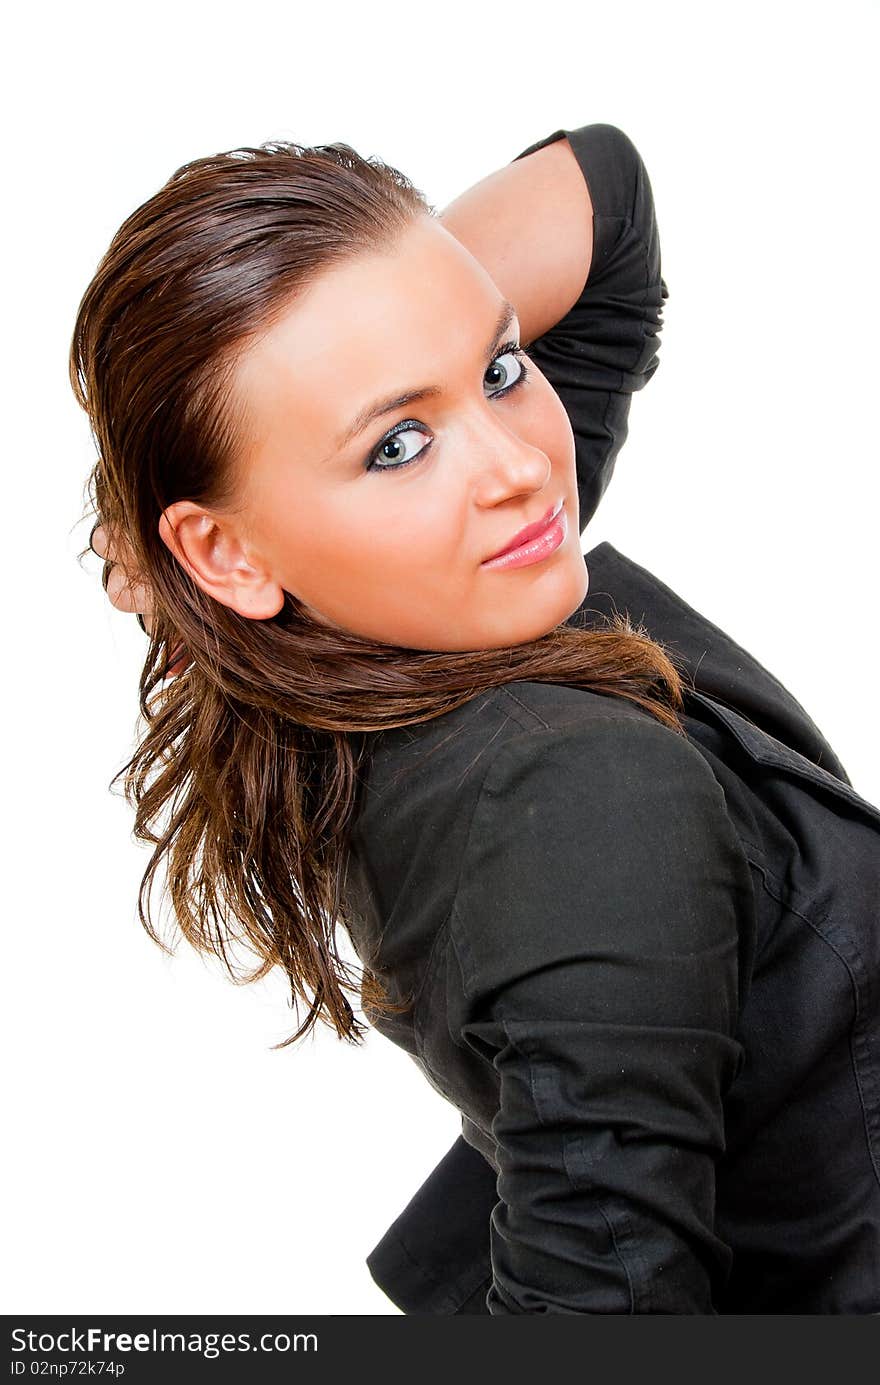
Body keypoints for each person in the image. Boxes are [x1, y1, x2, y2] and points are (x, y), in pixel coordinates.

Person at [75, 121, 880, 1315]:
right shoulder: (580, 794)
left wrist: (389, 319)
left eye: (500, 366)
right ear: (226, 548)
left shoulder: (376, 620)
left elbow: (601, 204)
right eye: (396, 443)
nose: (517, 464)